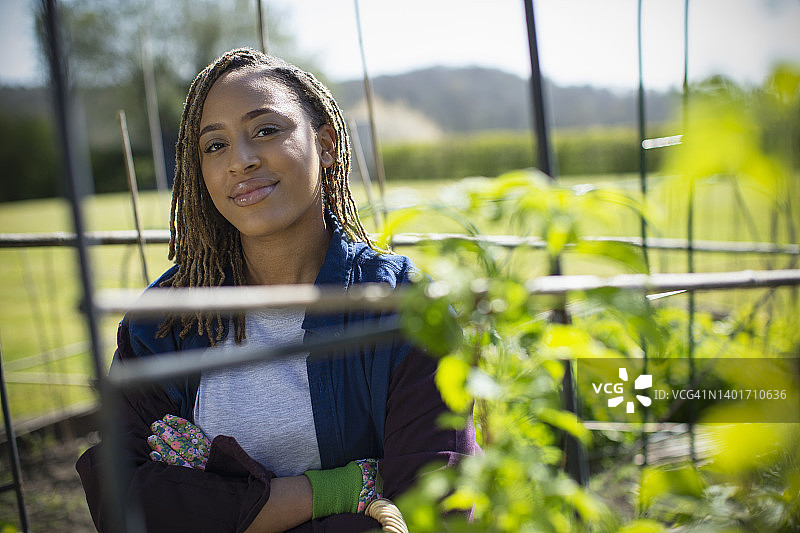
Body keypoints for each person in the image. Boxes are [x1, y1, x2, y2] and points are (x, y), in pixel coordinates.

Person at [76, 47, 478, 532]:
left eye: (266, 130)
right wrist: (332, 492)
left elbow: (435, 505)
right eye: (214, 145)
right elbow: (125, 501)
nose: (240, 161)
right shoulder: (164, 322)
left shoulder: (403, 307)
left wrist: (214, 507)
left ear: (326, 143)